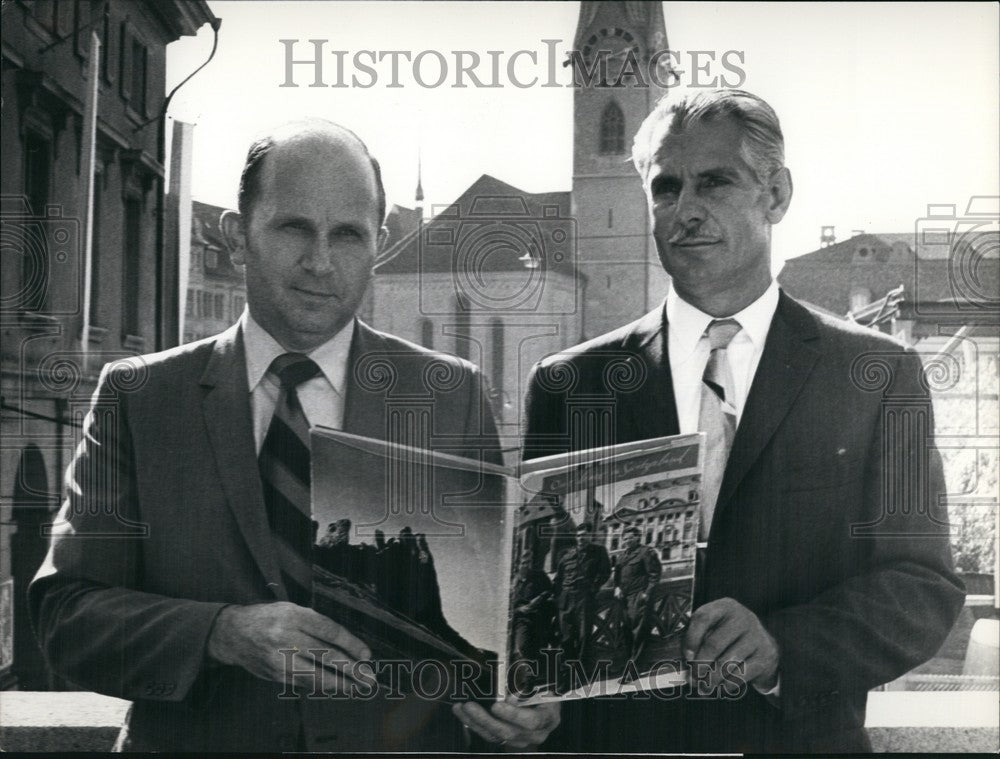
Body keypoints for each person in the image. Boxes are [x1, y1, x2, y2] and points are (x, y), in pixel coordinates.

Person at [30, 119, 558, 752]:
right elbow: (66, 618)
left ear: (379, 245)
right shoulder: (140, 398)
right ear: (236, 237)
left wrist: (530, 694)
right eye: (293, 228)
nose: (320, 262)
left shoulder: (449, 395)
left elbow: (495, 615)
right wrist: (222, 633)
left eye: (348, 235)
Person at [522, 90, 963, 752]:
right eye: (665, 188)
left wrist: (783, 644)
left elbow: (921, 585)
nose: (686, 209)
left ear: (777, 194)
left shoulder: (876, 377)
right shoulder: (569, 384)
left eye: (715, 182)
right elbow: (538, 587)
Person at [553, 522, 612, 668]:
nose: (581, 538)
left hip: (584, 599)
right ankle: (566, 674)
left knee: (583, 636)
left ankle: (579, 672)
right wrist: (557, 598)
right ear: (575, 537)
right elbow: (558, 579)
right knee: (565, 637)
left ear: (590, 536)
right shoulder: (567, 555)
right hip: (566, 600)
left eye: (584, 535)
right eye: (579, 535)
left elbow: (605, 572)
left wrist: (594, 587)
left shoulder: (598, 551)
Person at [613, 526, 662, 657]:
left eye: (630, 538)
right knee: (626, 630)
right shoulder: (622, 556)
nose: (626, 541)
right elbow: (617, 576)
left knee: (638, 632)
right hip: (624, 598)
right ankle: (629, 660)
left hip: (638, 596)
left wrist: (646, 594)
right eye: (624, 539)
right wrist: (616, 587)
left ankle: (634, 664)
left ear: (637, 538)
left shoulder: (645, 552)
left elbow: (654, 575)